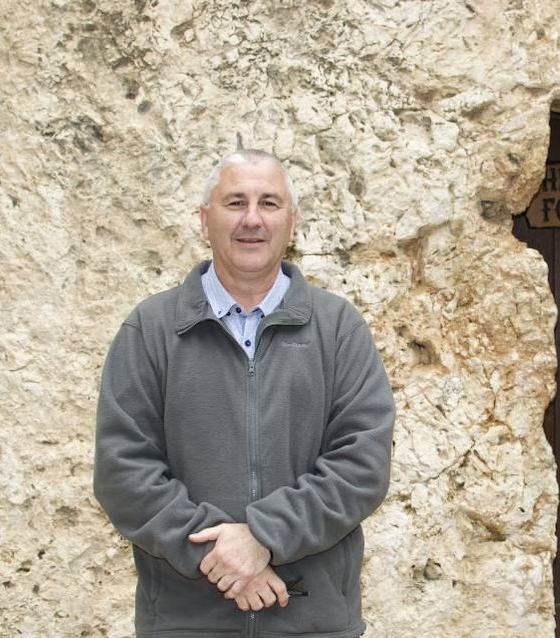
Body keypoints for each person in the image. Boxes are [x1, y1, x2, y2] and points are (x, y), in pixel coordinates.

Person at [93, 148, 395, 638]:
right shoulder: (150, 329)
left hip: (313, 622)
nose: (252, 219)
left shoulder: (338, 329)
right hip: (185, 622)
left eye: (269, 204)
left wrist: (265, 536)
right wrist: (220, 555)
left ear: (291, 222)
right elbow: (122, 471)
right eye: (235, 202)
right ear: (204, 219)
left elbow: (362, 465)